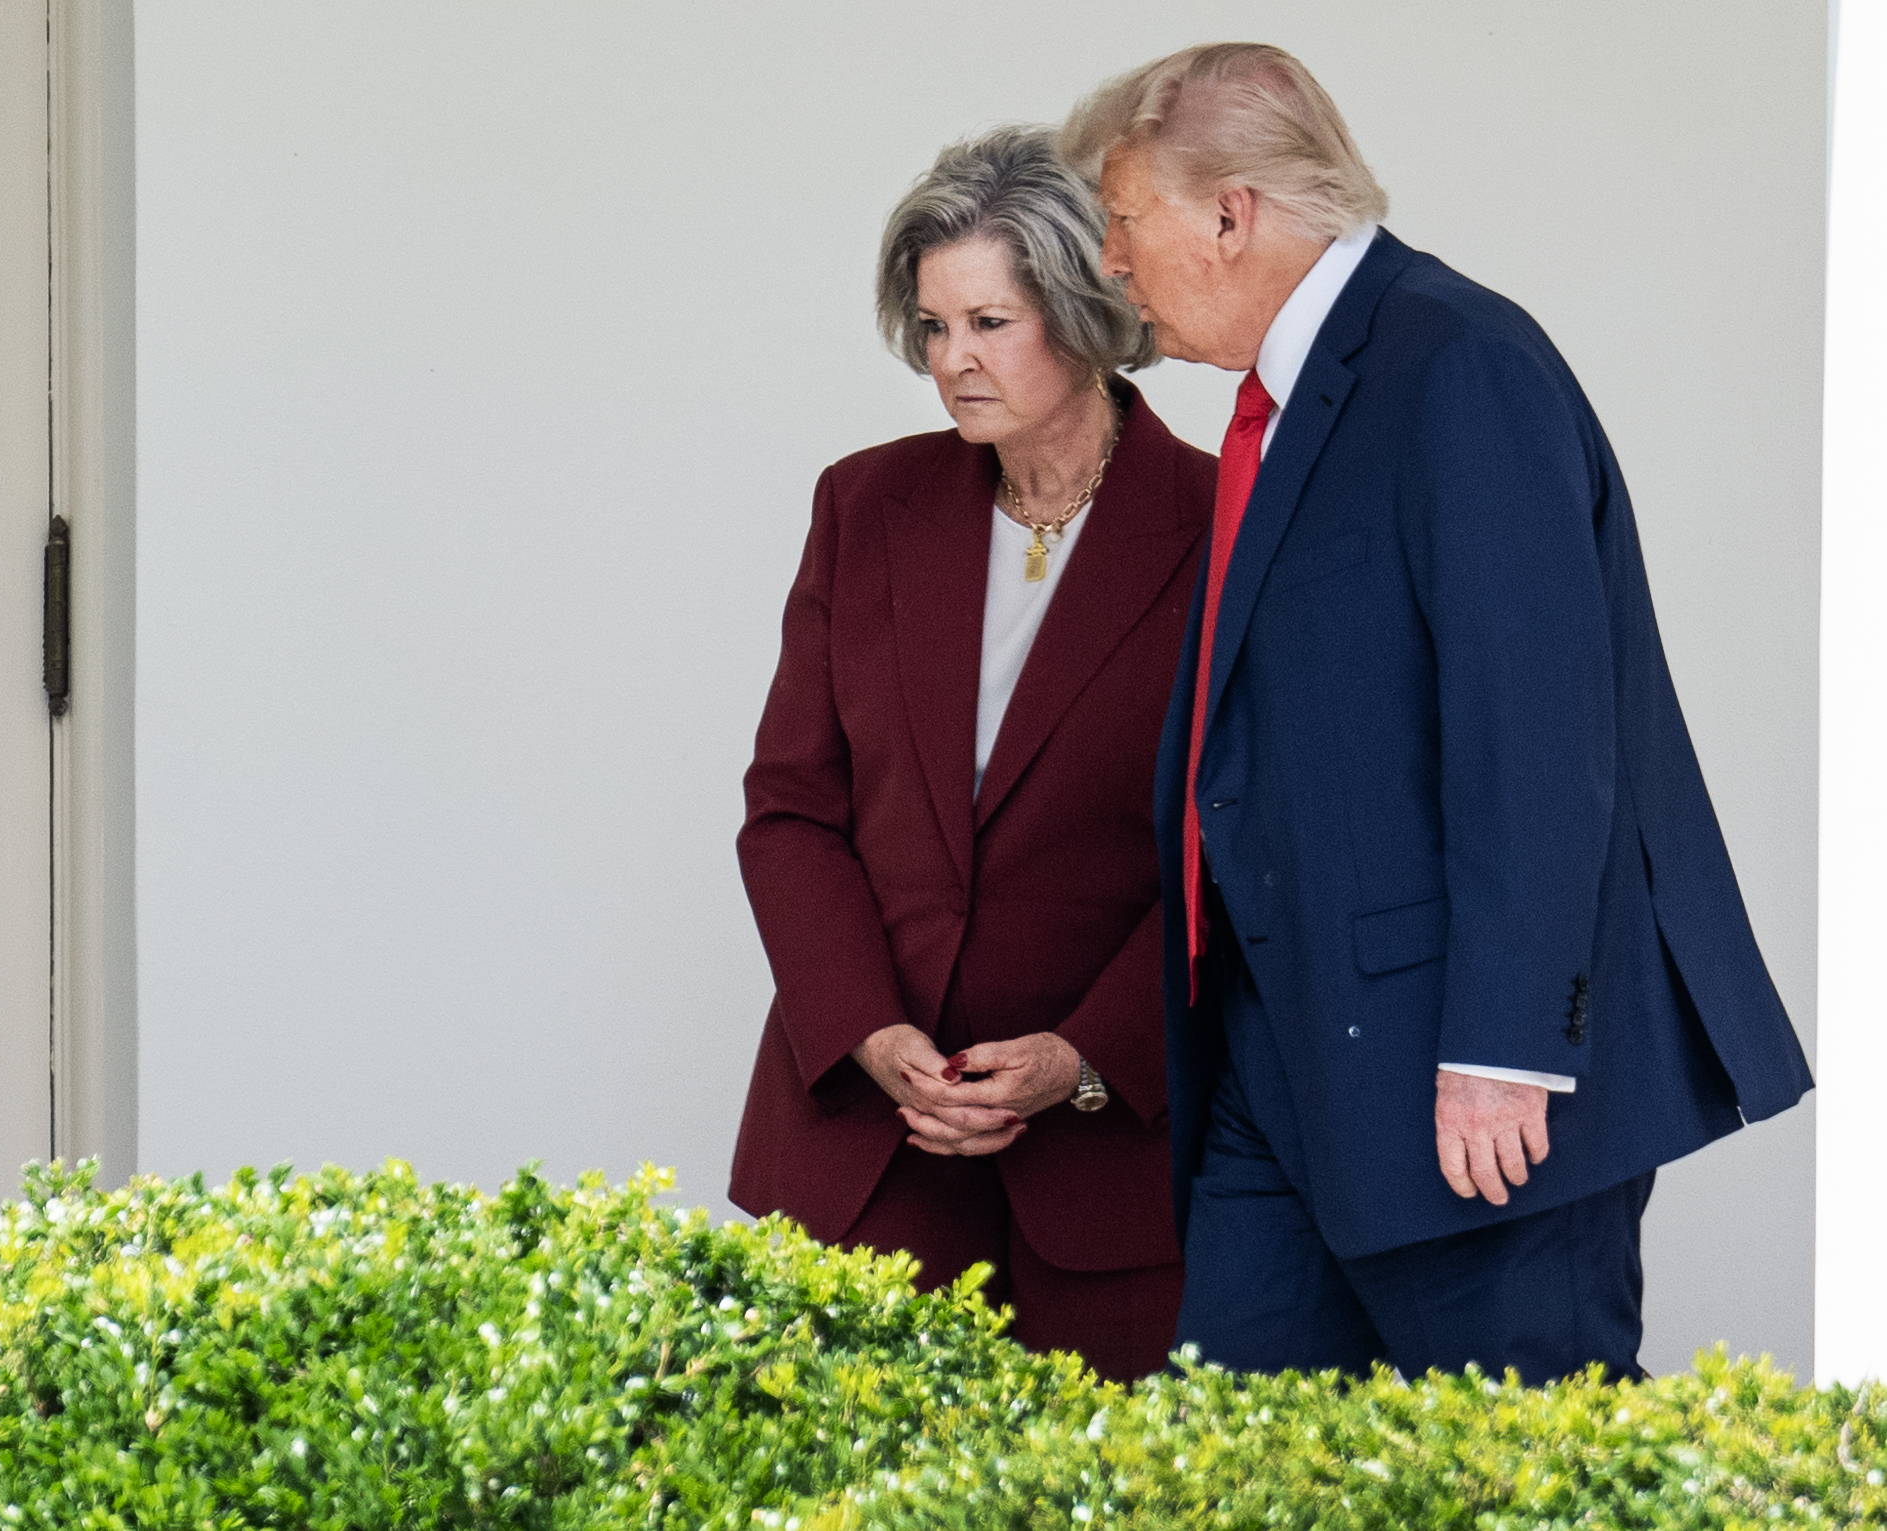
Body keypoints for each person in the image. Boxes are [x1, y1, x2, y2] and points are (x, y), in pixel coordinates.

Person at [1056, 44, 1814, 1382]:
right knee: (1227, 1472)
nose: (1109, 264)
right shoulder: (1279, 409)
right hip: (1277, 1069)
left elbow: (1536, 735)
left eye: (1120, 224)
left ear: (1228, 213)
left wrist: (1505, 1045)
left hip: (1459, 1088)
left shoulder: (1457, 365)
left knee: (1517, 1478)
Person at [728, 125, 1215, 1381]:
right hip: (865, 1144)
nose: (954, 363)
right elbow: (791, 809)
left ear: (1088, 304)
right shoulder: (865, 505)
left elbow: (1241, 847)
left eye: (991, 321)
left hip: (1107, 1173)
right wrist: (867, 1032)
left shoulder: (1225, 524)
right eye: (935, 327)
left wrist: (1086, 1058)